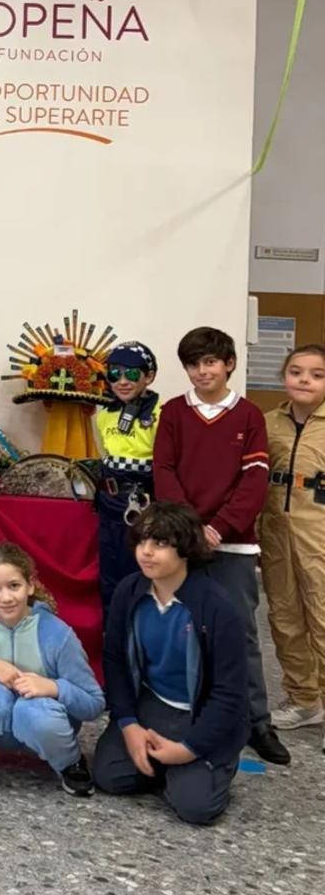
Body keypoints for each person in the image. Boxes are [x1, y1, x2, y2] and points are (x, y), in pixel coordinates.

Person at [153, 326, 289, 765]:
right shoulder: (174, 412)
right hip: (183, 542)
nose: (202, 371)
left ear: (229, 363)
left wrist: (221, 528)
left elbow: (254, 481)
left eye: (210, 362)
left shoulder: (249, 415)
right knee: (180, 629)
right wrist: (192, 529)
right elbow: (165, 470)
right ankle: (188, 712)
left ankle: (256, 723)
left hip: (233, 546)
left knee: (240, 634)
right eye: (193, 364)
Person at [93, 502, 249, 825]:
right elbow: (116, 662)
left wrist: (188, 749)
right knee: (108, 775)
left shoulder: (217, 606)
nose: (146, 552)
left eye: (160, 543)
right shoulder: (130, 591)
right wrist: (129, 725)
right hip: (153, 703)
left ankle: (208, 765)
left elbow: (229, 694)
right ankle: (166, 766)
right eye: (142, 541)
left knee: (196, 809)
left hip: (198, 712)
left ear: (186, 549)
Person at [0, 543, 103, 797]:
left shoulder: (58, 634)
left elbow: (94, 704)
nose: (6, 598)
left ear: (30, 585)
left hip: (45, 726)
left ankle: (69, 762)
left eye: (14, 586)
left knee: (32, 709)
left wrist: (54, 687)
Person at [261, 343, 325, 739]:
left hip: (318, 531)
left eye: (317, 375)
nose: (305, 380)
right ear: (284, 376)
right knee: (284, 617)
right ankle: (304, 698)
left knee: (321, 615)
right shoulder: (268, 423)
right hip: (275, 532)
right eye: (297, 372)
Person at [93, 340, 162, 621]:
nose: (122, 381)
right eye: (114, 374)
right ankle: (115, 644)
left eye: (132, 374)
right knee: (110, 577)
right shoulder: (103, 415)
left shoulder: (162, 414)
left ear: (149, 375)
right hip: (110, 504)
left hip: (144, 506)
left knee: (142, 575)